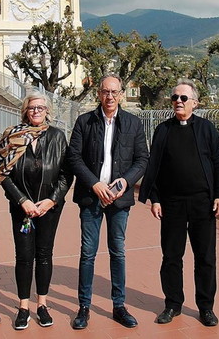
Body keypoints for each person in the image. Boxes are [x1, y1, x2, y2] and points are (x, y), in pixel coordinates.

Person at [139, 78, 219, 327]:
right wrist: (155, 199)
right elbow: (154, 166)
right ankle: (172, 304)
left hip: (203, 202)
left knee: (206, 257)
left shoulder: (206, 128)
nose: (178, 101)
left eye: (183, 98)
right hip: (172, 203)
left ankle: (206, 307)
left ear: (195, 103)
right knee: (171, 257)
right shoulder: (163, 130)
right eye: (175, 97)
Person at [68, 74, 148, 329]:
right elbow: (74, 158)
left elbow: (142, 159)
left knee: (118, 252)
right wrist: (94, 183)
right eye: (105, 91)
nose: (110, 96)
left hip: (120, 199)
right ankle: (84, 307)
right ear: (99, 94)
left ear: (122, 94)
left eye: (114, 92)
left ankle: (119, 305)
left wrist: (125, 182)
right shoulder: (84, 122)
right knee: (88, 253)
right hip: (91, 196)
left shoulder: (134, 124)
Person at [0, 90, 72, 330]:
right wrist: (22, 201)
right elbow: (3, 174)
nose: (36, 111)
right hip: (22, 209)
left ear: (47, 110)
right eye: (32, 108)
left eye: (40, 108)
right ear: (25, 111)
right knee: (24, 256)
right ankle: (23, 306)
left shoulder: (58, 137)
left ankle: (42, 304)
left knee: (45, 255)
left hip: (49, 208)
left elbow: (66, 174)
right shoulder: (12, 137)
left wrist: (52, 200)